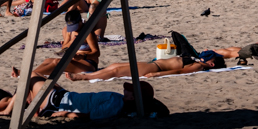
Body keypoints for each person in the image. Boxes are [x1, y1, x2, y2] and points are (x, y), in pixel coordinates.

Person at [0, 78, 164, 120]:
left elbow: (88, 116)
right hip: (63, 97)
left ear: (134, 97)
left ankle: (7, 110)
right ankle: (8, 106)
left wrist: (65, 115)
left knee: (30, 77)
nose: (124, 91)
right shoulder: (118, 101)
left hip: (59, 102)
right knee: (31, 86)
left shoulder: (115, 103)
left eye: (129, 91)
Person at [13, 9, 100, 79]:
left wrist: (82, 56)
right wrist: (71, 42)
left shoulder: (88, 33)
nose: (74, 29)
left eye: (75, 26)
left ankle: (27, 75)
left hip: (88, 63)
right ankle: (32, 74)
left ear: (80, 21)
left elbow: (97, 53)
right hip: (74, 59)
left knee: (56, 62)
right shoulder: (70, 31)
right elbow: (64, 47)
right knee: (47, 60)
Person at [66, 50, 226, 81]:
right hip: (152, 64)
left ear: (211, 64)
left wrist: (157, 75)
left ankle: (82, 77)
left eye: (209, 57)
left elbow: (178, 71)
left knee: (116, 71)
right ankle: (89, 75)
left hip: (155, 68)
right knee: (115, 64)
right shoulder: (198, 61)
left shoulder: (199, 66)